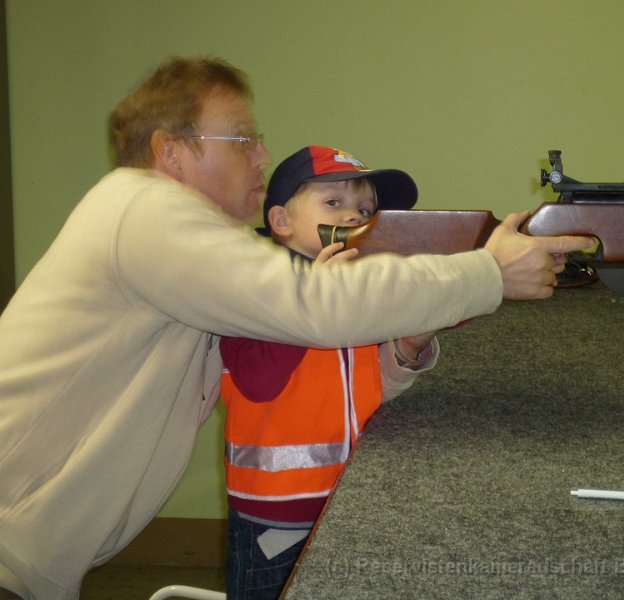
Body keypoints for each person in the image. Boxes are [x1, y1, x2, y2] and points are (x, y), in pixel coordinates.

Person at [0, 57, 592, 600]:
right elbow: (318, 307)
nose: (260, 155)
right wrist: (490, 271)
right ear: (171, 152)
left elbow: (329, 343)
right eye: (242, 139)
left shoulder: (174, 237)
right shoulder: (143, 209)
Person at [221, 145, 440, 598]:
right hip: (277, 513)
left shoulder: (358, 289)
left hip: (357, 498)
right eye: (334, 203)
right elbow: (257, 382)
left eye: (366, 210)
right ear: (281, 222)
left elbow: (375, 386)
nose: (354, 218)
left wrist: (408, 348)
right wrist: (314, 303)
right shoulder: (252, 289)